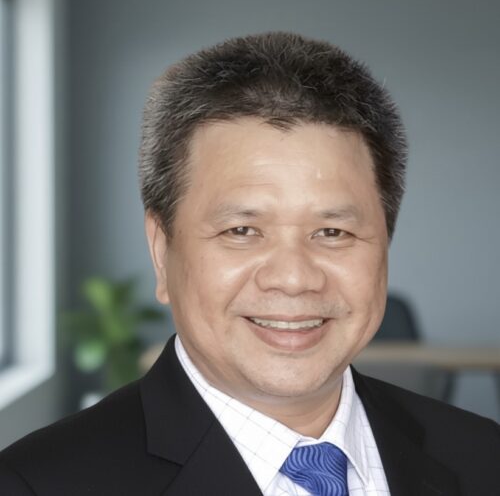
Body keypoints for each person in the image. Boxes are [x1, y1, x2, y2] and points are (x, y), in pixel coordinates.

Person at [0, 31, 498, 496]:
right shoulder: (34, 485)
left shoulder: (484, 456)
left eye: (333, 232)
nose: (294, 278)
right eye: (241, 231)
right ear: (161, 250)